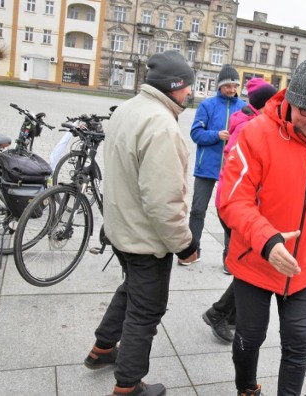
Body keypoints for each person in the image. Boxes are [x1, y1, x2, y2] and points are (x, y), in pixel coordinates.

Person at [218, 54, 306, 396]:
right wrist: (268, 241)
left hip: (304, 268)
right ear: (290, 101)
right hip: (255, 259)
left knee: (298, 342)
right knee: (249, 338)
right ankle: (247, 388)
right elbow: (232, 200)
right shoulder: (256, 134)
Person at [84, 50, 198, 396]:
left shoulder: (129, 109)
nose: (190, 93)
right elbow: (163, 202)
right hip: (145, 239)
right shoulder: (162, 125)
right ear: (175, 86)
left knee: (131, 288)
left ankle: (102, 349)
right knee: (146, 311)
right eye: (188, 86)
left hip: (121, 229)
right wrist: (185, 245)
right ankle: (128, 385)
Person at [203, 77, 278, 344]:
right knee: (251, 264)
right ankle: (218, 313)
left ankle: (230, 313)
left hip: (238, 203)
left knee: (250, 262)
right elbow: (241, 173)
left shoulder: (247, 122)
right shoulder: (249, 127)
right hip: (235, 205)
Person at [183, 64, 246, 270]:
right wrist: (215, 135)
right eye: (228, 85)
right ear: (220, 86)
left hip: (231, 170)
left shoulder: (243, 108)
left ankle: (230, 257)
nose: (232, 89)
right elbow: (195, 134)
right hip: (206, 168)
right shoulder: (207, 106)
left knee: (231, 214)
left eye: (235, 85)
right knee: (198, 210)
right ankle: (192, 250)